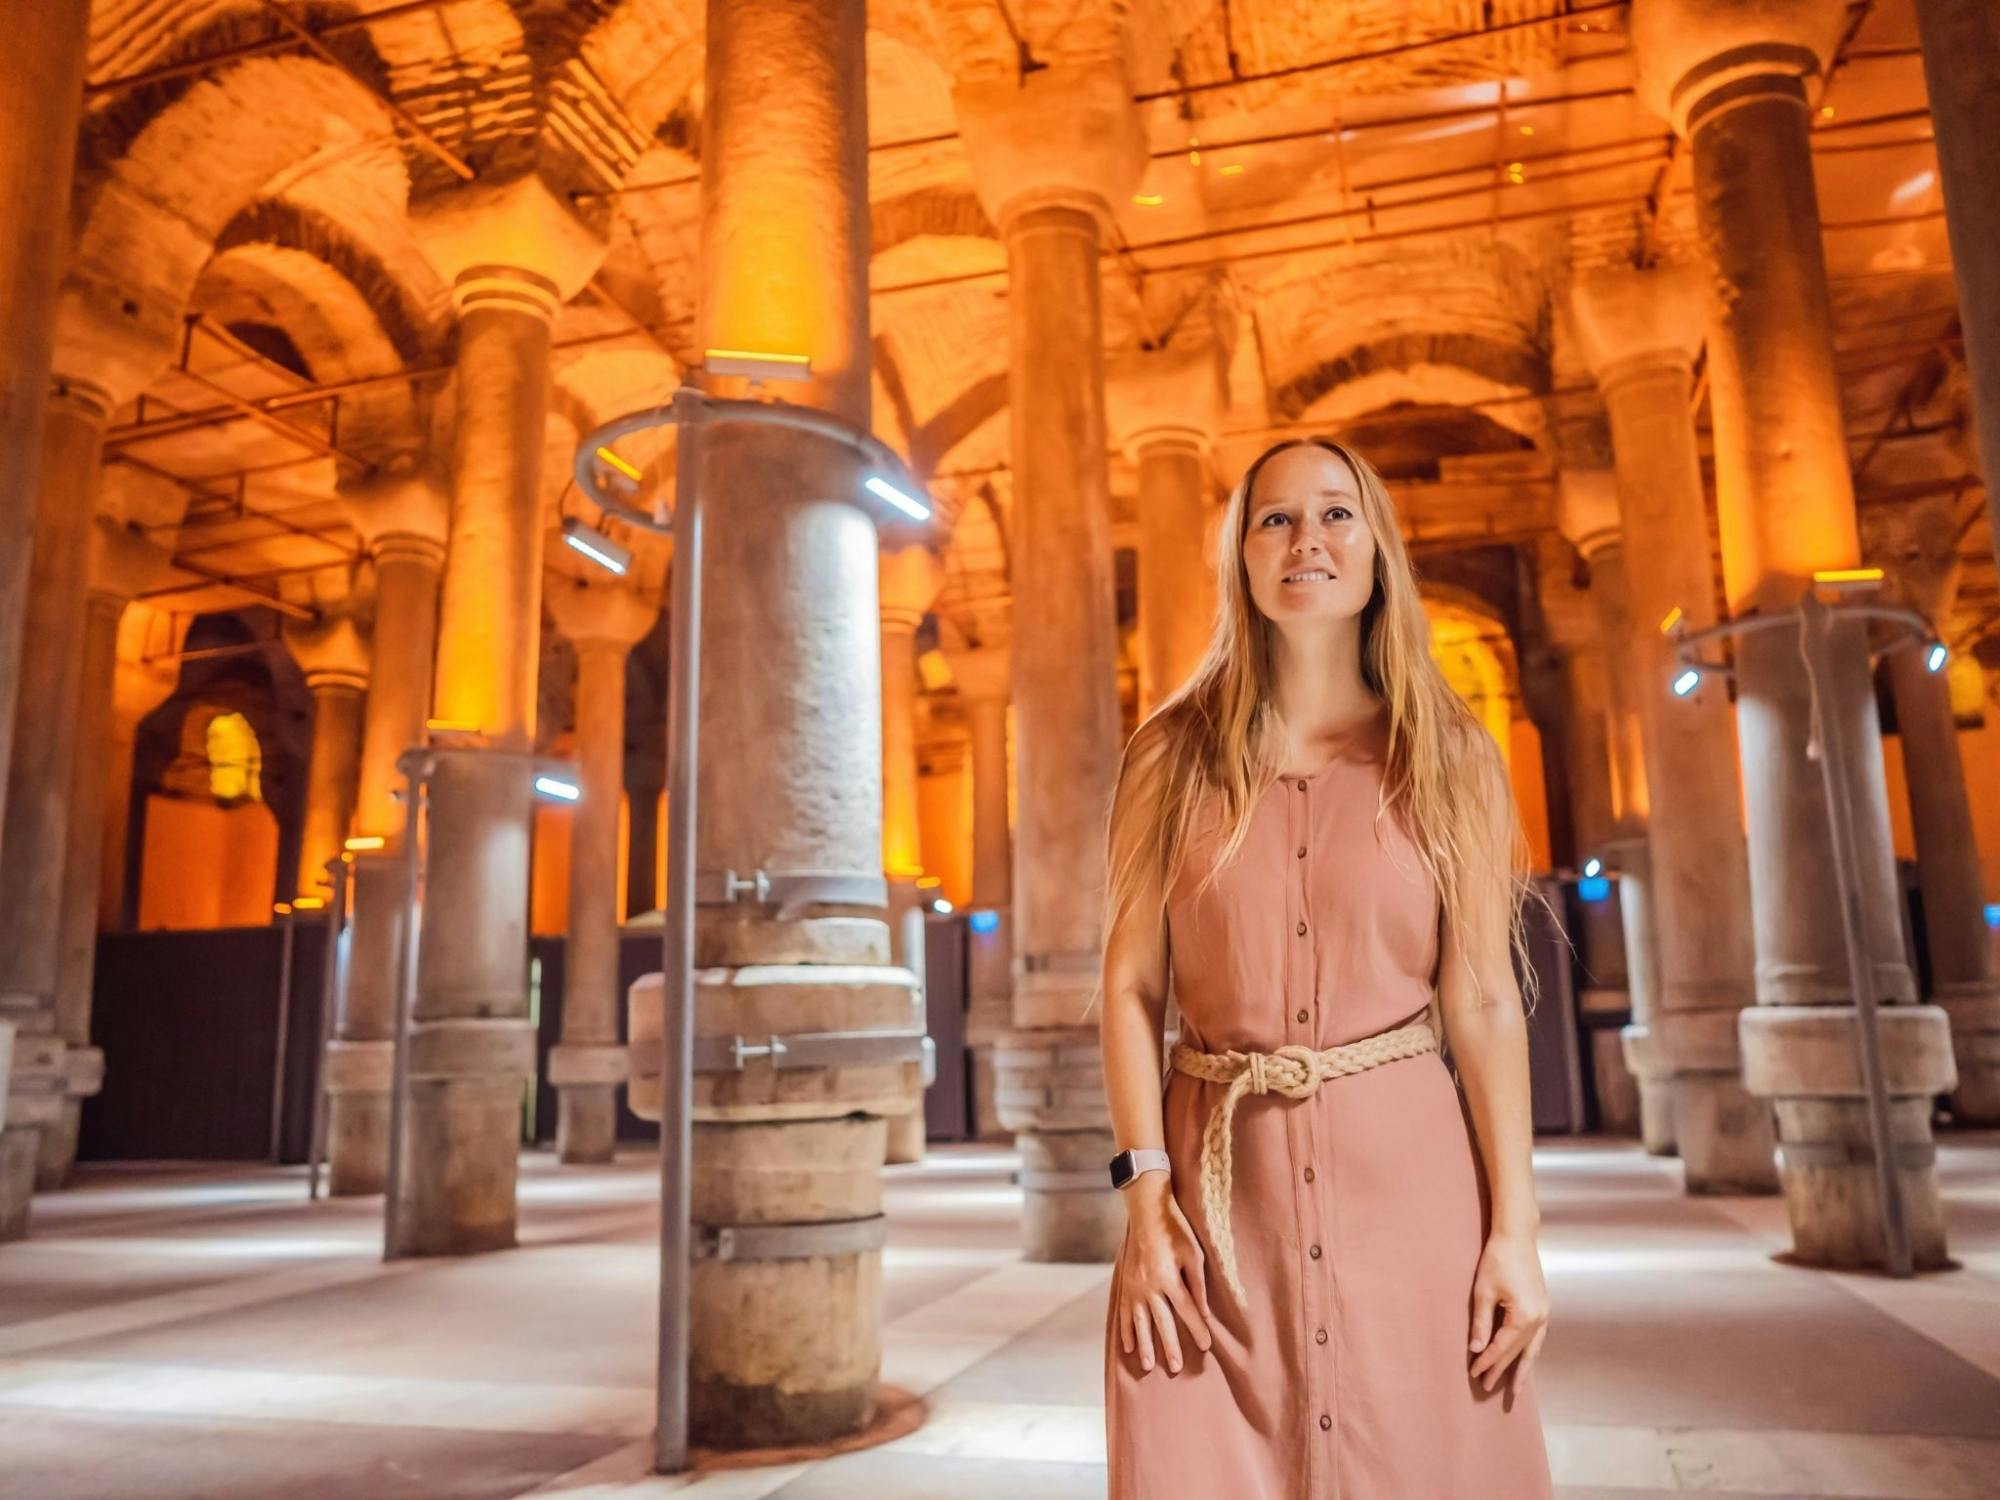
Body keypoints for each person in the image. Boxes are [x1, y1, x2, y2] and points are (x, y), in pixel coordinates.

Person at [1097, 436, 1555, 1497]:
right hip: (1209, 1219)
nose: (1306, 538)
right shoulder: (1167, 755)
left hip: (1411, 1205)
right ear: (1241, 558)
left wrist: (1515, 1235)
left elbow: (1482, 999)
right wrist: (1144, 1198)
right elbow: (1128, 989)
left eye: (1334, 513)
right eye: (1274, 519)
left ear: (1375, 549)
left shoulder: (1449, 753)